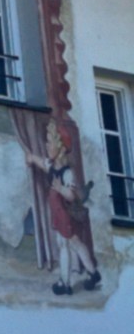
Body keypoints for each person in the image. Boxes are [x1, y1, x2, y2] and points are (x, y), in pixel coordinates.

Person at [25, 117, 100, 295]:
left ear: (60, 149)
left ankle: (64, 283)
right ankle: (93, 273)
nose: (47, 145)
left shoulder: (67, 173)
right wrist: (31, 158)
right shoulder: (52, 165)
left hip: (65, 214)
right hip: (58, 213)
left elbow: (72, 195)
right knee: (75, 244)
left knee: (64, 245)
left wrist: (60, 189)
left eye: (50, 142)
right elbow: (42, 163)